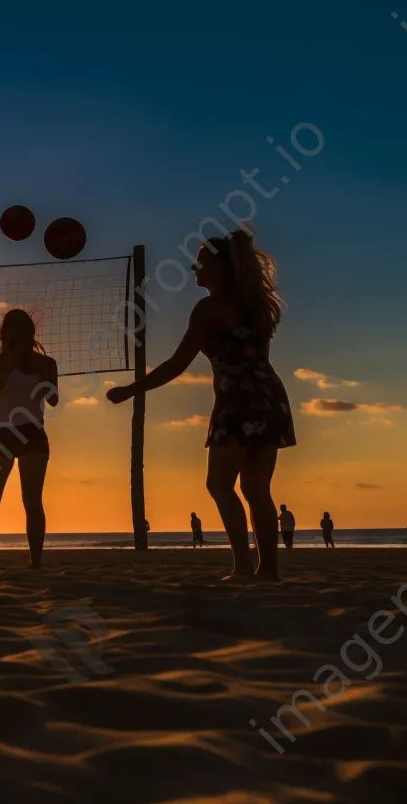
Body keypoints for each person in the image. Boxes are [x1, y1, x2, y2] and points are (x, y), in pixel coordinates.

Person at [107, 230, 295, 582]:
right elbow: (261, 362)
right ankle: (267, 570)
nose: (194, 270)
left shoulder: (209, 309)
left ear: (221, 267)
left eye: (200, 263)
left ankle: (242, 567)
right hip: (271, 398)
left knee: (220, 485)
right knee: (257, 491)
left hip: (238, 402)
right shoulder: (255, 307)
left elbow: (177, 363)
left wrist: (132, 390)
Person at [0, 308, 59, 570]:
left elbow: (53, 400)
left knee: (32, 502)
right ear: (8, 334)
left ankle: (36, 563)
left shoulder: (47, 363)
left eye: (25, 329)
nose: (21, 334)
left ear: (30, 332)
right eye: (14, 330)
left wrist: (43, 375)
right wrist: (10, 362)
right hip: (1, 434)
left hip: (33, 434)